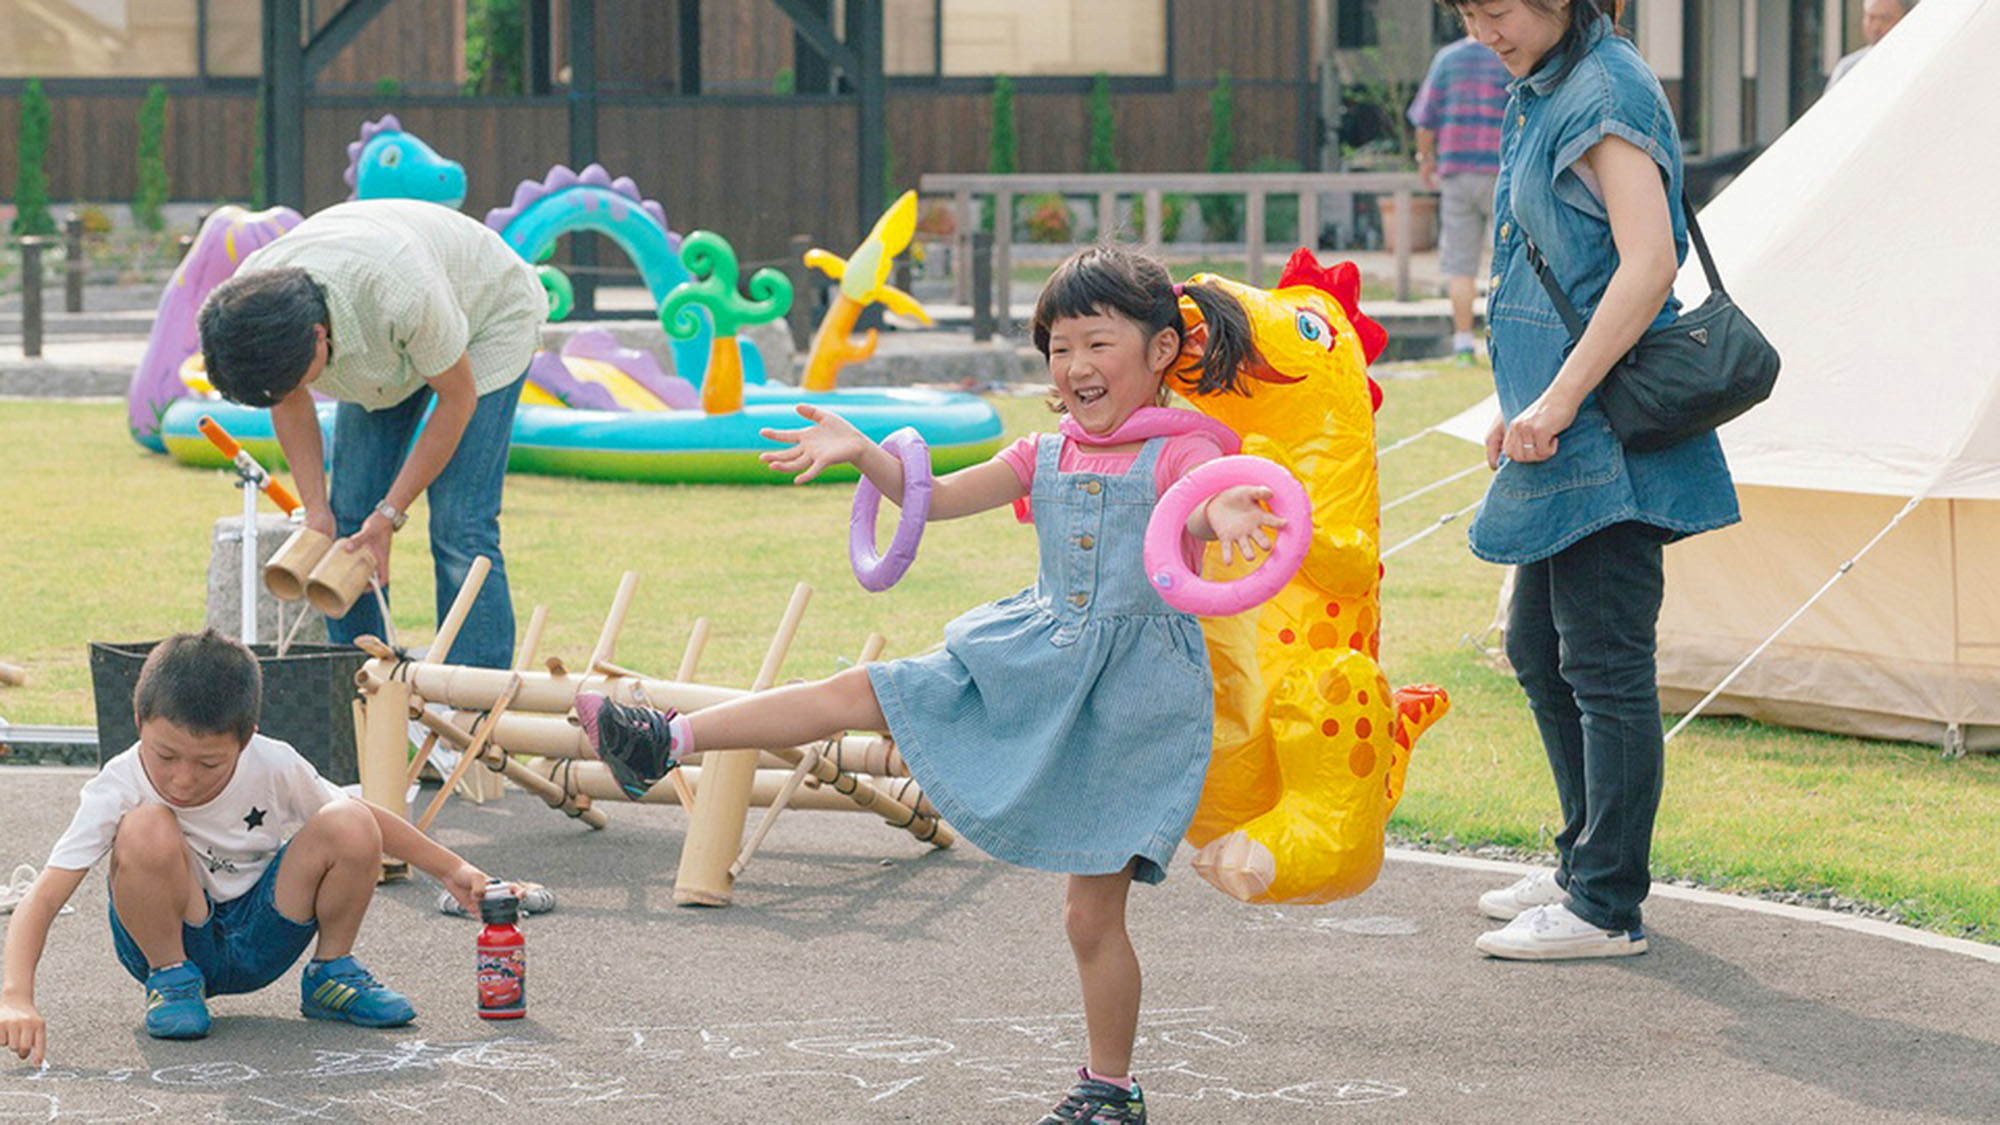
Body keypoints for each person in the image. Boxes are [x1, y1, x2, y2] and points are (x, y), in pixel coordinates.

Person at [572, 243, 1285, 1124]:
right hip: (1033, 651)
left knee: (1088, 918)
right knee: (862, 685)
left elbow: (1208, 504)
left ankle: (1110, 1088)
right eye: (1059, 347)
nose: (1075, 366)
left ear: (1163, 350)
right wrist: (865, 452)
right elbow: (935, 499)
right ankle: (662, 739)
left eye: (1098, 343)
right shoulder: (1045, 452)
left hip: (1127, 705)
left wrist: (1226, 512)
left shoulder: (1181, 457)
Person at [1442, 0, 1739, 960]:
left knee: (1606, 664)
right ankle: (1584, 860)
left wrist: (1560, 398)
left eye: (1496, 10)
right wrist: (1517, 398)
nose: (1482, 30)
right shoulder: (1551, 83)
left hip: (1605, 431)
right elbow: (1556, 266)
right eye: (1466, 12)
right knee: (1538, 644)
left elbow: (1648, 263)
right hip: (1568, 425)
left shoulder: (1605, 90)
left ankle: (1605, 904)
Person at [0, 631, 502, 1061]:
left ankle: (332, 974)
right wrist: (16, 996)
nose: (182, 778)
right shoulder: (119, 783)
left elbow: (364, 822)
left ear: (246, 739)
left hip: (264, 932)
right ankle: (172, 979)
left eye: (209, 764)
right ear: (138, 718)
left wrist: (452, 868)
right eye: (166, 755)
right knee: (145, 825)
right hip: (171, 937)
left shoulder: (273, 762)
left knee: (350, 818)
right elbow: (43, 897)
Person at [197, 199, 547, 670]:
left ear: (319, 336)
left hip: (487, 314)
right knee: (346, 519)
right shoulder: (254, 306)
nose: (294, 389)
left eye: (297, 376)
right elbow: (288, 399)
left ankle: (474, 701)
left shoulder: (400, 294)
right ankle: (358, 683)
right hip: (389, 339)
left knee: (459, 524)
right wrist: (316, 513)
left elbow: (457, 400)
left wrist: (390, 514)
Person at [1408, 30, 1512, 363]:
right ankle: (1507, 344)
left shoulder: (1448, 59)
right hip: (1502, 172)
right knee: (1508, 262)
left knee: (1459, 265)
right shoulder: (1509, 55)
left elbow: (1424, 120)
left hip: (1456, 172)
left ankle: (1464, 344)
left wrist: (1425, 160)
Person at [1825, 0, 1915, 90]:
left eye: (1885, 19)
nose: (1876, 27)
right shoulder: (1848, 68)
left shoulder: (1916, 66)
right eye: (1871, 17)